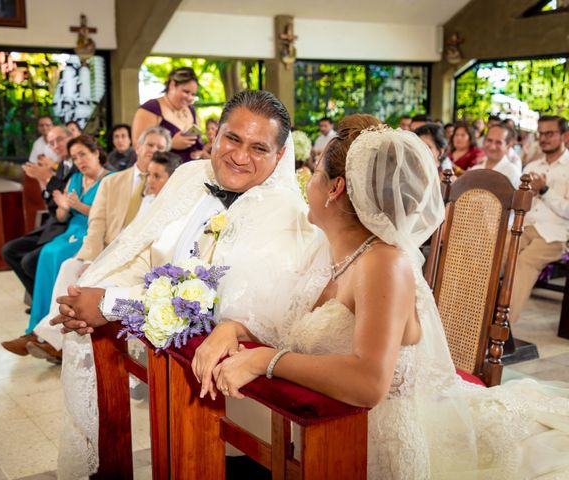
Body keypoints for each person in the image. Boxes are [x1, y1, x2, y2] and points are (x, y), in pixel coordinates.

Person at [205, 122, 569, 479]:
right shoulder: (329, 252)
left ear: (336, 188)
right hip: (331, 433)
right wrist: (231, 327)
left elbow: (369, 383)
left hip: (378, 448)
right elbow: (281, 319)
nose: (307, 184)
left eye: (315, 175)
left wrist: (266, 360)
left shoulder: (384, 263)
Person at [50, 90, 321, 478]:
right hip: (172, 379)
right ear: (215, 135)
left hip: (239, 408)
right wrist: (95, 292)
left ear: (280, 157)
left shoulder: (285, 215)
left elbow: (221, 308)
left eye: (259, 147)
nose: (240, 156)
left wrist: (112, 304)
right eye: (233, 139)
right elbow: (143, 247)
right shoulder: (191, 176)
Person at [28, 146, 179, 363]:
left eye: (157, 176)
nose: (150, 181)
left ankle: (50, 338)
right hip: (116, 249)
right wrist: (93, 258)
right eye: (149, 175)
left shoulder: (170, 206)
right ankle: (49, 334)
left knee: (90, 281)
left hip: (137, 261)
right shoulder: (137, 192)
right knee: (70, 266)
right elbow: (104, 225)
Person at [3, 134, 111, 354]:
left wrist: (78, 205)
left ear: (96, 153)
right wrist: (62, 205)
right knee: (47, 254)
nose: (80, 161)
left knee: (59, 256)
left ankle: (52, 333)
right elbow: (62, 216)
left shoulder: (111, 180)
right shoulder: (75, 179)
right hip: (71, 229)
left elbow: (109, 218)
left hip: (91, 233)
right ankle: (36, 326)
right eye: (75, 157)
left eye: (83, 154)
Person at [1, 126, 75, 317]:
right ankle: (39, 301)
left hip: (68, 226)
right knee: (9, 250)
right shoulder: (62, 164)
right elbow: (53, 205)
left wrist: (47, 178)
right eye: (51, 143)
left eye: (59, 140)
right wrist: (44, 182)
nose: (56, 145)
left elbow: (67, 200)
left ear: (70, 137)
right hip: (53, 223)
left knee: (29, 261)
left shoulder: (76, 165)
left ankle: (48, 305)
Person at [510, 115, 569, 324]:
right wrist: (528, 195)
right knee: (497, 254)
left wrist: (544, 190)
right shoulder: (532, 166)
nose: (544, 138)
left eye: (549, 133)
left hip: (555, 235)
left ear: (565, 136)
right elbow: (518, 204)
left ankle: (502, 327)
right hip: (525, 227)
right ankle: (474, 315)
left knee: (523, 262)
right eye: (541, 133)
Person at [131, 67, 203, 163]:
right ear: (173, 85)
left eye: (193, 94)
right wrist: (171, 144)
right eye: (186, 92)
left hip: (191, 172)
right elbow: (138, 146)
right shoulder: (151, 108)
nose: (190, 98)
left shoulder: (191, 110)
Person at [470, 123, 521, 188]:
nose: (492, 147)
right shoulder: (475, 169)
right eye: (489, 140)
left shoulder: (512, 172)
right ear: (484, 141)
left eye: (498, 142)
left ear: (508, 146)